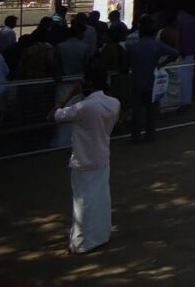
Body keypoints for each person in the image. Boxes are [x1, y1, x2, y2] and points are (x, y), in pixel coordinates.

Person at [48, 63, 120, 254]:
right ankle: (100, 234)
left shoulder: (83, 107)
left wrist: (69, 95)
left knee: (82, 201)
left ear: (86, 83)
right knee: (101, 197)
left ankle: (83, 242)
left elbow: (53, 116)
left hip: (83, 158)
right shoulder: (113, 103)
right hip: (102, 156)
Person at [124, 16, 178, 144]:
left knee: (137, 111)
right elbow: (175, 53)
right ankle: (150, 135)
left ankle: (135, 137)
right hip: (152, 81)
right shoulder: (157, 46)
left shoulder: (132, 47)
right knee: (151, 110)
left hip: (136, 80)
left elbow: (124, 67)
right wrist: (161, 64)